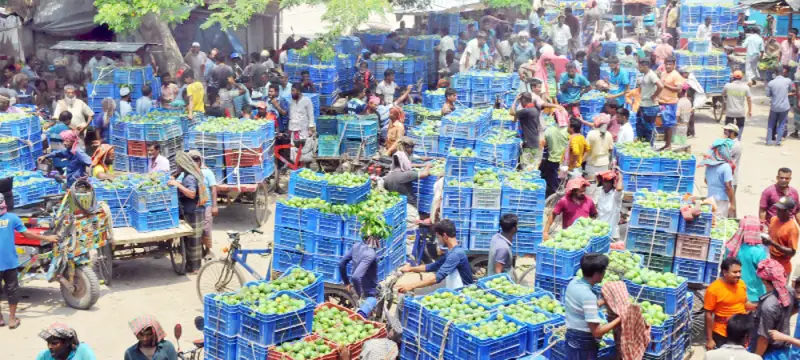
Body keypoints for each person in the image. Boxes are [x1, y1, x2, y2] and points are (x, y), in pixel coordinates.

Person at [0, 193, 56, 330]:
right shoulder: (12, 218)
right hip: (9, 262)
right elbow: (27, 234)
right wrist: (48, 238)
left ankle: (0, 319)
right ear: (4, 203)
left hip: (7, 262)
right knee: (12, 290)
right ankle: (12, 319)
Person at [563, 253, 621, 359]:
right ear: (596, 274)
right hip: (583, 342)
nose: (604, 274)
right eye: (603, 271)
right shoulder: (589, 296)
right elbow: (597, 332)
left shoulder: (573, 283)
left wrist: (605, 301)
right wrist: (620, 319)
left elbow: (583, 306)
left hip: (571, 337)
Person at [396, 219, 474, 291]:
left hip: (463, 294)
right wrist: (410, 269)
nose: (438, 240)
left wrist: (411, 286)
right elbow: (433, 266)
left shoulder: (455, 254)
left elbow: (437, 278)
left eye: (438, 237)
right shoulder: (452, 252)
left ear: (445, 236)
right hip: (456, 293)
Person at [168, 152, 208, 273]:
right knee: (192, 240)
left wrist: (177, 185)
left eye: (178, 165)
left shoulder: (190, 177)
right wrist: (177, 179)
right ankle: (192, 265)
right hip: (195, 210)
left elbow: (191, 194)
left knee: (194, 240)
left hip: (194, 211)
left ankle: (195, 267)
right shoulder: (190, 174)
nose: (177, 167)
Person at [750, 258, 795, 359]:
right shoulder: (789, 291)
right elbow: (795, 307)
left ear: (764, 280)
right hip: (783, 351)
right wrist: (784, 317)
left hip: (768, 353)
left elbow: (763, 339)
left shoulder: (768, 305)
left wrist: (756, 357)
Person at [705, 257, 751, 350]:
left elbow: (745, 303)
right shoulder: (713, 289)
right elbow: (708, 315)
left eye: (739, 271)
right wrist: (710, 339)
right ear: (725, 273)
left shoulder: (742, 284)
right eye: (735, 272)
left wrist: (758, 305)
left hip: (741, 332)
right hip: (722, 333)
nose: (738, 275)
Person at [726, 216, 769, 303]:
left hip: (733, 292)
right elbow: (765, 273)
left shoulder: (731, 247)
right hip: (754, 296)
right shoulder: (759, 251)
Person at [339, 233, 381, 317]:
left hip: (356, 286)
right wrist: (361, 295)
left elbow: (341, 263)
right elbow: (356, 277)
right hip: (368, 290)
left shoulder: (356, 246)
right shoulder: (371, 254)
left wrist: (346, 282)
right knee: (363, 315)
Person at [186, 150, 218, 260]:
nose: (195, 162)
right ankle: (199, 250)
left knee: (206, 228)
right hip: (194, 206)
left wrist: (214, 206)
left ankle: (208, 250)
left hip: (206, 205)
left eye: (197, 159)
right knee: (196, 230)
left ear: (200, 160)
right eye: (193, 160)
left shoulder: (207, 173)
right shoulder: (187, 173)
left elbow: (213, 189)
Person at [763, 196, 799, 277]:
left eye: (781, 210)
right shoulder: (773, 219)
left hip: (783, 268)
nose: (778, 211)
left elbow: (792, 252)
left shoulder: (792, 228)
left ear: (789, 211)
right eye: (777, 208)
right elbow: (770, 235)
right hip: (769, 262)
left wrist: (773, 243)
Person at [702, 138, 737, 218]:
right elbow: (728, 186)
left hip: (710, 198)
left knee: (711, 223)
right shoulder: (726, 167)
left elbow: (706, 180)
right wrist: (732, 203)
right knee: (719, 224)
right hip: (721, 201)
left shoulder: (709, 165)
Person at [540, 110, 570, 197]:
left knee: (554, 181)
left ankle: (555, 197)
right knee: (563, 180)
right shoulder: (568, 130)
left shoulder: (549, 130)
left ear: (554, 118)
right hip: (565, 161)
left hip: (553, 159)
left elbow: (544, 143)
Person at [657, 57, 684, 150]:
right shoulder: (663, 73)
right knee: (664, 124)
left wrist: (666, 85)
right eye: (666, 64)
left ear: (674, 65)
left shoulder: (676, 75)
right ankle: (666, 144)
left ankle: (669, 145)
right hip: (662, 102)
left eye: (670, 64)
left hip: (670, 103)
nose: (668, 66)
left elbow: (679, 89)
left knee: (669, 124)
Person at [766, 65, 794, 146]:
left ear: (775, 73)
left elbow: (768, 94)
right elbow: (792, 89)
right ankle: (778, 141)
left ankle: (769, 141)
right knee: (782, 124)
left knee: (771, 124)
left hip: (774, 107)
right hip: (785, 107)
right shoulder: (788, 81)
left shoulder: (771, 83)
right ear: (783, 72)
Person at [638, 59, 663, 145]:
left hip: (650, 106)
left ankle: (650, 146)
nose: (638, 68)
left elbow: (661, 86)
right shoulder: (645, 75)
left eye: (640, 67)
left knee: (649, 128)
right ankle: (643, 145)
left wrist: (654, 95)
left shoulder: (651, 75)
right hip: (644, 105)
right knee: (642, 127)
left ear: (646, 66)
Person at [593, 170, 623, 239]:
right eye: (604, 181)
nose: (605, 184)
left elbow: (619, 189)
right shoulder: (599, 192)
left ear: (612, 183)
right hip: (599, 232)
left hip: (612, 235)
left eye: (608, 182)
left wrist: (620, 178)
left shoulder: (615, 196)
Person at [722, 70, 752, 139]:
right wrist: (750, 110)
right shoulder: (745, 87)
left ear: (733, 78)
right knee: (740, 126)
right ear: (741, 78)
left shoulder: (728, 86)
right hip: (740, 112)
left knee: (728, 128)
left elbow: (722, 93)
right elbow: (749, 99)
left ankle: (728, 140)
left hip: (730, 112)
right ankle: (738, 139)